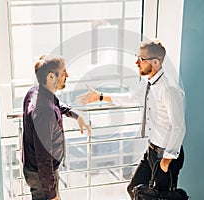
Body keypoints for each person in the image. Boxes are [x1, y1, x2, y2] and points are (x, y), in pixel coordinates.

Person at [76, 39, 185, 199]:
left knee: (161, 198)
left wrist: (167, 160)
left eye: (141, 58)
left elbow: (179, 127)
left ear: (155, 62)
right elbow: (133, 98)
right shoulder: (148, 81)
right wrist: (99, 96)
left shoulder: (168, 88)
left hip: (165, 155)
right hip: (152, 151)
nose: (136, 62)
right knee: (134, 189)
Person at [22, 55, 91, 200]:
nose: (67, 75)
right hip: (42, 176)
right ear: (51, 77)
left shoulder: (35, 92)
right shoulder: (45, 111)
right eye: (63, 72)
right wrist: (52, 194)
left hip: (38, 171)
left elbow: (57, 104)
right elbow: (43, 157)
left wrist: (76, 115)